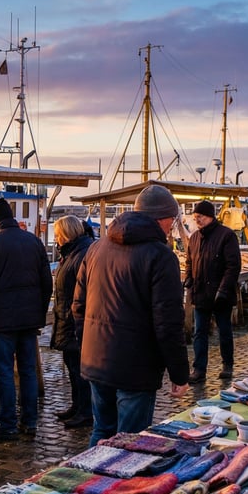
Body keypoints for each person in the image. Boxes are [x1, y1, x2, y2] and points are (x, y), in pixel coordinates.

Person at [72, 184, 190, 446]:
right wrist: (180, 374)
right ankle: (118, 487)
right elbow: (168, 322)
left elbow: (78, 306)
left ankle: (89, 484)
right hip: (136, 368)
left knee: (102, 431)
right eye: (172, 219)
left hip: (97, 360)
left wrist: (89, 345)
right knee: (130, 443)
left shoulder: (96, 248)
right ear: (162, 218)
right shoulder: (161, 257)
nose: (173, 225)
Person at [0, 198, 53, 441]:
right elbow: (46, 284)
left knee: (5, 372)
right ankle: (29, 422)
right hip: (29, 321)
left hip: (4, 321)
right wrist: (38, 312)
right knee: (28, 371)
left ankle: (7, 424)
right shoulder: (34, 241)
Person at [185, 199, 241, 383]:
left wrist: (223, 290)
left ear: (209, 216)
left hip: (220, 295)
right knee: (199, 332)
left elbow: (233, 266)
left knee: (224, 330)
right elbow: (190, 262)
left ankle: (228, 365)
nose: (197, 220)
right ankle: (199, 369)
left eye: (199, 217)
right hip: (201, 293)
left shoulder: (226, 236)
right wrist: (189, 280)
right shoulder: (194, 238)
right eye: (195, 218)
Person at [50, 216, 94, 428]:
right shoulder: (71, 252)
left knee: (80, 371)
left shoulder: (82, 253)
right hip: (67, 319)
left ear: (66, 234)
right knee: (72, 367)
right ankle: (77, 406)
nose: (56, 238)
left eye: (58, 234)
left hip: (76, 322)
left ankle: (85, 411)